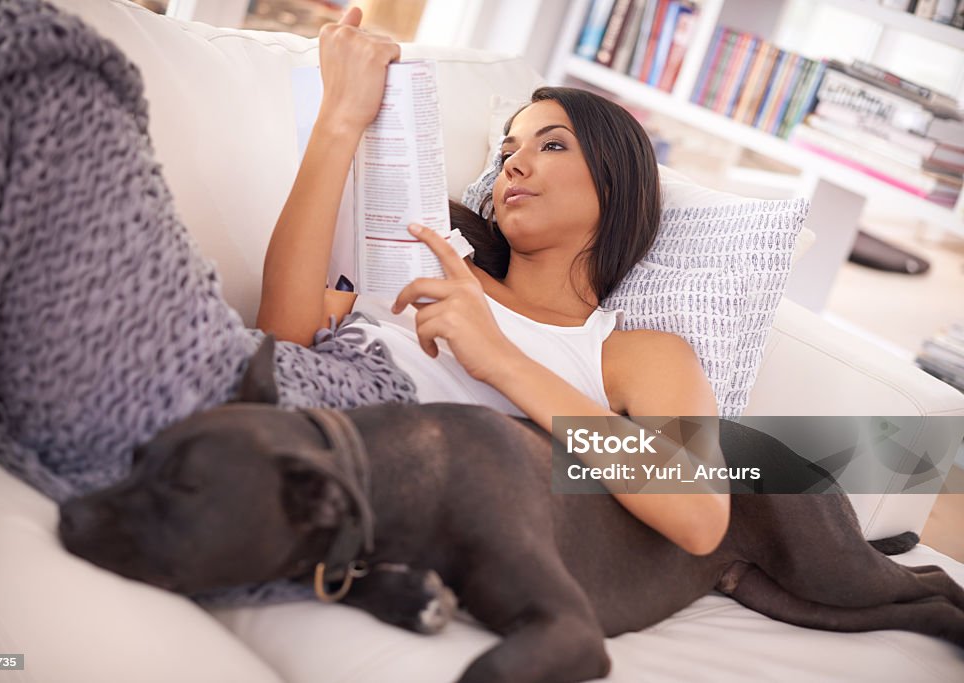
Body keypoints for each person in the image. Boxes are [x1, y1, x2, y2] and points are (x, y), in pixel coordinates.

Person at [257, 8, 728, 556]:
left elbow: (700, 515)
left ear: (616, 184)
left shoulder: (638, 355)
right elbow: (281, 339)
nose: (514, 165)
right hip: (287, 399)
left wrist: (498, 358)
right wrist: (338, 120)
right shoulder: (428, 245)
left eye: (551, 145)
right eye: (507, 152)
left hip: (366, 462)